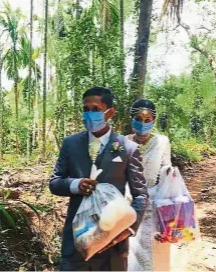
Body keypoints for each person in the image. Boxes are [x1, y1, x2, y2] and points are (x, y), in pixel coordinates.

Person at [49, 87, 149, 271]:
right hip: (77, 239)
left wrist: (128, 228)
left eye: (95, 109)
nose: (89, 114)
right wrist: (75, 185)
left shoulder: (127, 148)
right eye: (86, 109)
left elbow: (141, 194)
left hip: (113, 241)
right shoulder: (70, 144)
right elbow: (55, 182)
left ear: (110, 113)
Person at [126, 99, 172, 271]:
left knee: (154, 251)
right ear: (131, 119)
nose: (142, 123)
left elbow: (165, 169)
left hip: (153, 204)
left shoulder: (162, 142)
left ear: (153, 120)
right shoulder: (122, 142)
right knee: (129, 253)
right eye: (138, 119)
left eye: (147, 120)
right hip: (128, 205)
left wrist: (170, 173)